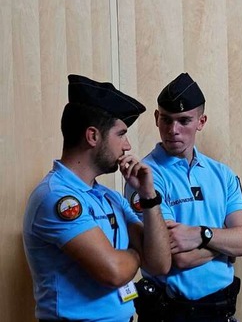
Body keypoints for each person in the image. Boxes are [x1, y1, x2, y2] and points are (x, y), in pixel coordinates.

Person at [23, 74, 171, 322]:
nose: (127, 146)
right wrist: (137, 254)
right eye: (121, 134)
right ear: (93, 136)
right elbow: (113, 272)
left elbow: (159, 264)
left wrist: (148, 196)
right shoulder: (57, 198)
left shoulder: (109, 197)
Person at [126, 72, 242, 322]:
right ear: (156, 118)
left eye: (184, 120)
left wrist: (201, 235)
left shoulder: (222, 174)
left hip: (221, 309)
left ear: (201, 121)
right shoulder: (145, 177)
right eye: (166, 119)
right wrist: (226, 246)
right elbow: (176, 257)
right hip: (173, 313)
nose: (173, 130)